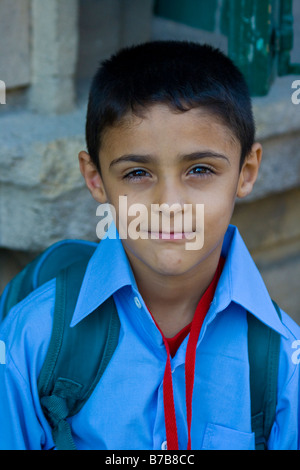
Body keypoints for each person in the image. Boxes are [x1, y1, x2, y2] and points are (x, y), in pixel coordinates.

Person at [0, 41, 299, 450]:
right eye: (138, 172)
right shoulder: (35, 338)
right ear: (95, 178)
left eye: (200, 169)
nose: (170, 205)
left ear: (246, 172)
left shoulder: (282, 362)